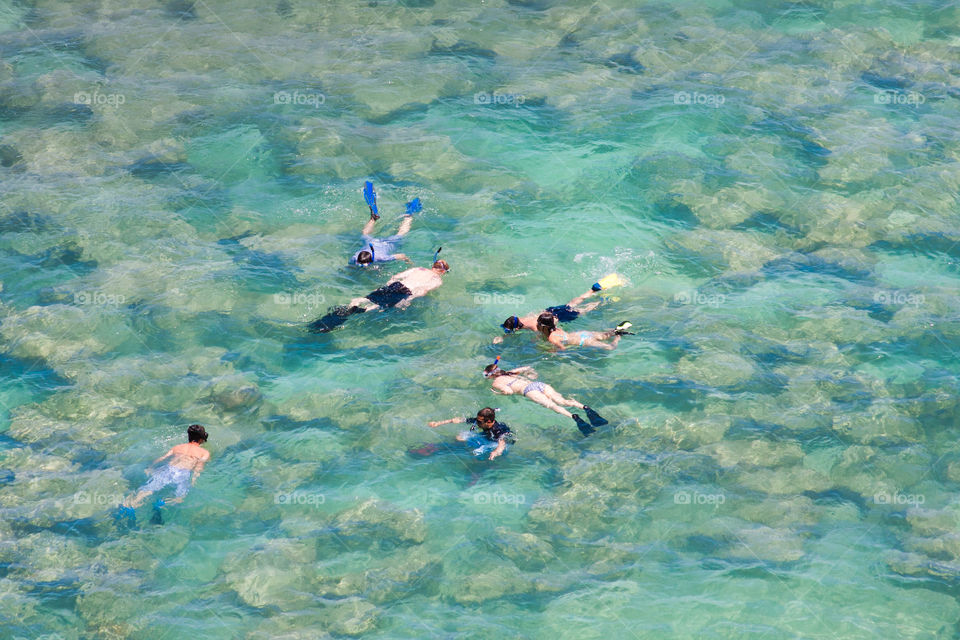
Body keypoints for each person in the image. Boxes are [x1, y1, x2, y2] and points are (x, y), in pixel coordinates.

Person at [310, 259, 450, 332]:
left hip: (395, 286)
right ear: (443, 271)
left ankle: (348, 307)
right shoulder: (437, 280)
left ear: (433, 265)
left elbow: (395, 277)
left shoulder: (418, 269)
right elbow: (422, 291)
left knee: (366, 299)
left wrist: (388, 286)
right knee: (375, 307)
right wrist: (407, 301)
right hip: (406, 293)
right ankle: (348, 316)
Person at [482, 361, 607, 436]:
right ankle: (585, 408)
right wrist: (532, 375)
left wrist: (500, 393)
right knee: (562, 401)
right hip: (539, 384)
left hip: (528, 391)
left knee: (552, 406)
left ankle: (575, 418)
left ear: (490, 375)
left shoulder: (496, 382)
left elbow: (509, 391)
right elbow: (527, 368)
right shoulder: (509, 372)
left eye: (485, 375)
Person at [494, 273, 624, 343]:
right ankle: (593, 290)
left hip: (558, 317)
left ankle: (602, 301)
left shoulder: (534, 326)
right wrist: (503, 337)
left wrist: (538, 339)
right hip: (551, 310)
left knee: (584, 310)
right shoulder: (520, 318)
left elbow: (546, 331)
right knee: (572, 303)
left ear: (516, 328)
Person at [123, 425, 210, 507]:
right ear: (201, 439)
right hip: (183, 473)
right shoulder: (204, 452)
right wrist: (194, 480)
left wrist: (150, 468)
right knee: (179, 497)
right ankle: (161, 505)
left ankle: (131, 503)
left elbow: (162, 458)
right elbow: (198, 468)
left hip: (168, 469)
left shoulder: (177, 447)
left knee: (149, 490)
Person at [351, 181, 421, 265]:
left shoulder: (382, 258)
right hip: (372, 242)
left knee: (401, 234)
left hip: (387, 243)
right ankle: (373, 218)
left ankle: (409, 215)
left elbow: (401, 255)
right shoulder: (355, 258)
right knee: (365, 234)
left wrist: (409, 262)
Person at [428, 407, 515, 460]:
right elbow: (458, 420)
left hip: (499, 444)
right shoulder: (481, 421)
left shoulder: (497, 430)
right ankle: (443, 448)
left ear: (488, 421)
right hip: (488, 437)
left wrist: (495, 452)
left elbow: (502, 444)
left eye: (479, 422)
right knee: (460, 437)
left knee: (477, 452)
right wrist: (438, 423)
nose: (477, 423)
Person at [536, 312, 633, 351]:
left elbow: (563, 349)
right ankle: (616, 331)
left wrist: (550, 351)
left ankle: (617, 338)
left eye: (538, 324)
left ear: (544, 327)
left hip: (584, 341)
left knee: (610, 347)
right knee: (605, 335)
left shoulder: (552, 338)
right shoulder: (557, 329)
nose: (536, 325)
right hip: (582, 334)